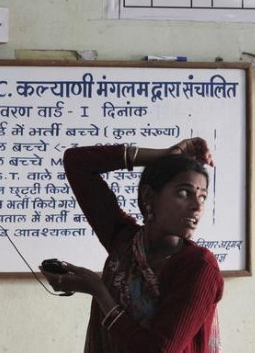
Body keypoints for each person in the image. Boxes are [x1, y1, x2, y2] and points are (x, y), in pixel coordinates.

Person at [41, 138, 223, 352]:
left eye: (202, 197)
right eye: (184, 193)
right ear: (148, 196)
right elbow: (77, 163)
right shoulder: (124, 240)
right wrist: (165, 155)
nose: (196, 207)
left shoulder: (199, 266)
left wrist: (99, 292)